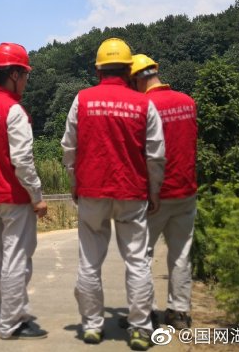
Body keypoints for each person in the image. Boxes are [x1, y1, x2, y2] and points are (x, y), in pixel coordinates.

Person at [61, 37, 166, 351]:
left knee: (89, 262)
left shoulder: (82, 100)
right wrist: (154, 191)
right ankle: (140, 329)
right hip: (132, 193)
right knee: (137, 262)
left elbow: (69, 147)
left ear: (98, 71)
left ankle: (93, 327)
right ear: (129, 70)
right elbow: (156, 155)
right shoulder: (144, 104)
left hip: (92, 191)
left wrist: (75, 182)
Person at [0, 42, 49, 340]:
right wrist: (37, 196)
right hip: (14, 198)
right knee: (17, 260)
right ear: (14, 74)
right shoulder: (14, 110)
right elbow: (23, 160)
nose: (26, 81)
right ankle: (13, 323)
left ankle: (4, 316)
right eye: (25, 75)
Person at [130, 54, 197, 330]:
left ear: (137, 79)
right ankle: (179, 313)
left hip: (153, 196)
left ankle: (145, 314)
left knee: (141, 256)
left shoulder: (142, 107)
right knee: (181, 254)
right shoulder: (187, 102)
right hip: (186, 191)